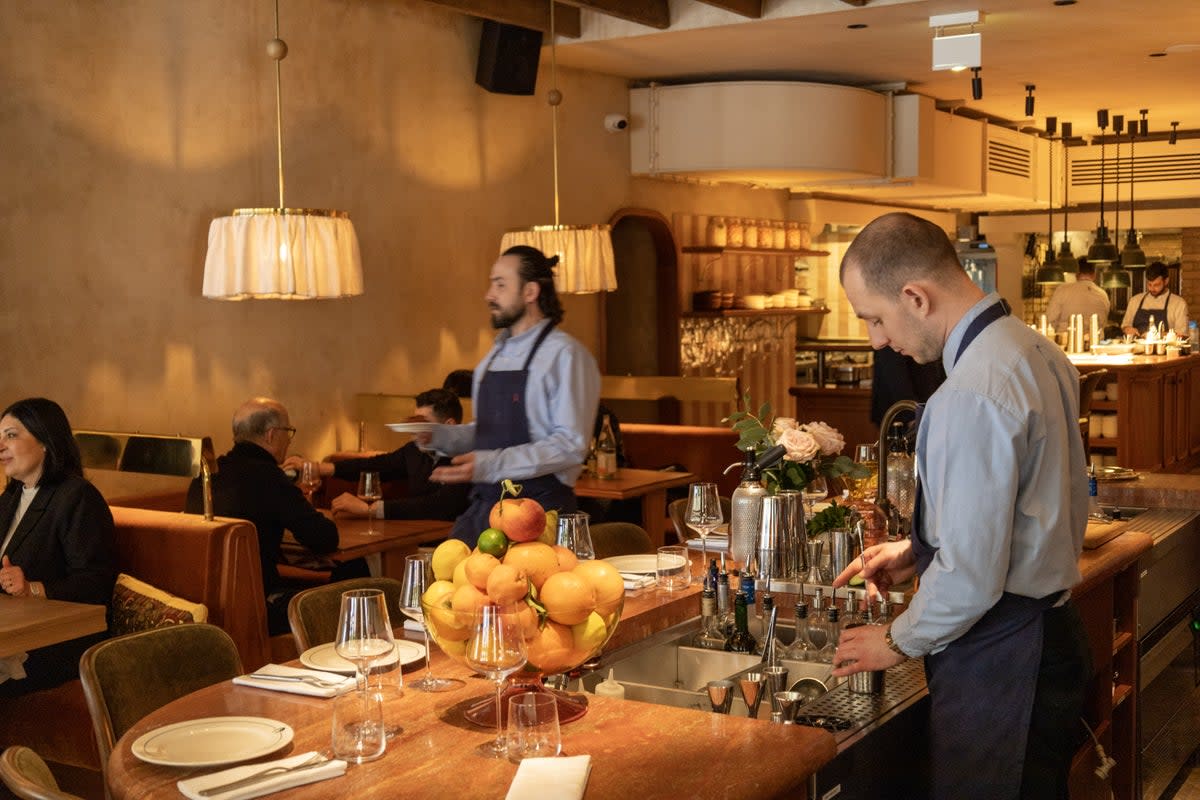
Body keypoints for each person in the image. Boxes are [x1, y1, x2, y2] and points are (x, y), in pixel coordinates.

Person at [830, 212, 1090, 800]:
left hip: (1005, 654)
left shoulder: (969, 393)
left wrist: (895, 640)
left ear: (915, 297)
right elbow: (1031, 507)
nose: (877, 340)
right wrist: (919, 551)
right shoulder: (1036, 351)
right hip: (1049, 634)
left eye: (875, 318)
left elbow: (972, 580)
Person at [425, 245, 600, 546]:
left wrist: (490, 464)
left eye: (500, 285)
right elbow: (488, 432)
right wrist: (440, 437)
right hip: (487, 512)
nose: (489, 295)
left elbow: (570, 446)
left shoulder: (566, 355)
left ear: (530, 291)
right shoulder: (493, 355)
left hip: (541, 516)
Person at [185, 397, 366, 635]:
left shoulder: (207, 474)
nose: (289, 441)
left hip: (208, 601)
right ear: (271, 435)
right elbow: (324, 538)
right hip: (260, 605)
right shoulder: (269, 477)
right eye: (288, 432)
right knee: (354, 569)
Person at [0, 398, 117, 696]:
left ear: (45, 442)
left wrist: (33, 589)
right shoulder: (11, 496)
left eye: (11, 435)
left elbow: (95, 584)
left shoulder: (77, 496)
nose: (1, 446)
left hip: (56, 645)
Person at [287, 388, 469, 522]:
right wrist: (319, 468)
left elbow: (439, 507)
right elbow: (378, 465)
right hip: (417, 539)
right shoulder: (415, 451)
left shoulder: (469, 457)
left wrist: (370, 509)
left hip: (457, 548)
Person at [1122, 261, 1189, 337]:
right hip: (1137, 347)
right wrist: (1127, 329)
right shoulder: (1135, 300)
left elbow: (1182, 334)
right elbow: (1125, 326)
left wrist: (1157, 335)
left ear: (1166, 281)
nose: (1152, 288)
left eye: (1156, 285)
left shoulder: (1178, 303)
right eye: (1149, 284)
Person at [1045, 257, 1111, 334]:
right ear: (1094, 274)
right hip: (1094, 341)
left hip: (1066, 341)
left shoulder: (1062, 290)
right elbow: (1103, 322)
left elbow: (1049, 320)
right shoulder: (1103, 294)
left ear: (1076, 273)